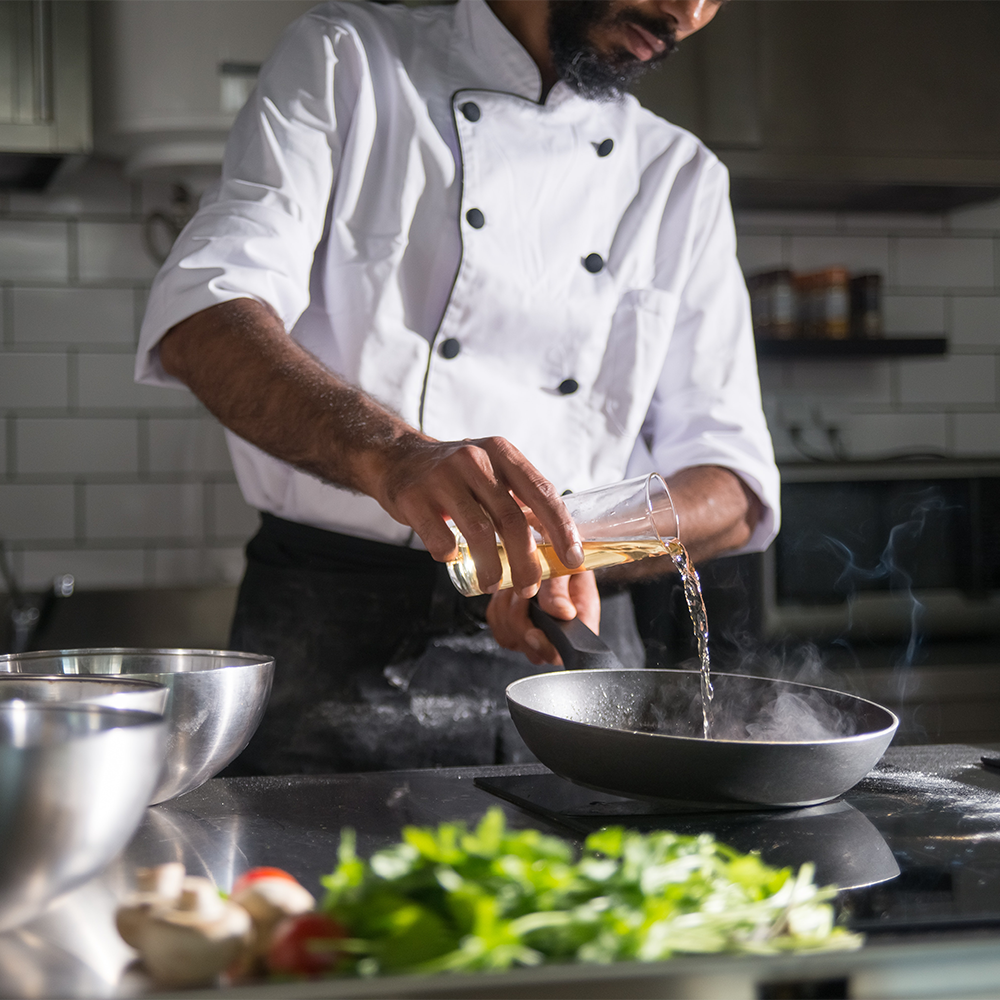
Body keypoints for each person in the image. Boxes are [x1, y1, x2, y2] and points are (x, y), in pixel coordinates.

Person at [135, 0, 780, 774]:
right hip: (335, 637)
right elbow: (202, 314)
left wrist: (563, 548)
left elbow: (733, 486)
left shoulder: (680, 176)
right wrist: (394, 457)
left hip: (572, 655)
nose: (688, 10)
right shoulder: (352, 63)